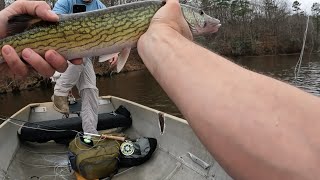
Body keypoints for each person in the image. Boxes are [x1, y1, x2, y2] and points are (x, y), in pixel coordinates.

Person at [2, 0, 320, 179]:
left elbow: (114, 33)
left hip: (88, 53)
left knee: (89, 93)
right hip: (69, 52)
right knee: (70, 73)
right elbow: (55, 19)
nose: (205, 19)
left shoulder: (100, 4)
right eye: (198, 13)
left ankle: (80, 119)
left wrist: (131, 45)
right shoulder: (66, 2)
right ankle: (61, 96)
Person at [51, 0, 107, 134]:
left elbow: (109, 31)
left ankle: (90, 131)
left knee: (90, 90)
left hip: (86, 55)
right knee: (79, 58)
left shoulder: (100, 6)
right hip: (65, 52)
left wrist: (115, 52)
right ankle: (60, 91)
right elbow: (50, 24)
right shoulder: (66, 1)